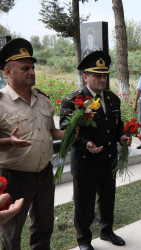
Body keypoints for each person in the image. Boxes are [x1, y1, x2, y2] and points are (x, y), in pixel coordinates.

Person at [60, 51, 131, 250]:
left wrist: (122, 136)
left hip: (108, 160)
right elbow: (67, 131)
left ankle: (107, 231)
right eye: (96, 75)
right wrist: (86, 144)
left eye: (104, 75)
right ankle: (84, 240)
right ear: (85, 77)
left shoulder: (112, 99)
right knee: (84, 204)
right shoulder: (73, 101)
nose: (101, 79)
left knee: (108, 199)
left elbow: (117, 125)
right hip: (85, 162)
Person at [0, 38, 64, 249]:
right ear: (8, 72)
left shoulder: (43, 99)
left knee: (44, 226)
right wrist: (10, 141)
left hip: (44, 174)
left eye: (33, 67)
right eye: (25, 68)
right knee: (12, 229)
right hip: (14, 176)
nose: (32, 72)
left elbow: (50, 131)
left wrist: (67, 132)